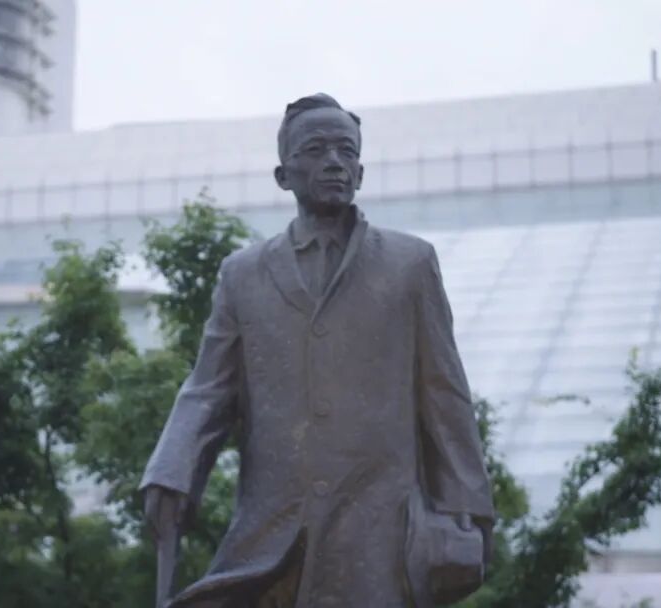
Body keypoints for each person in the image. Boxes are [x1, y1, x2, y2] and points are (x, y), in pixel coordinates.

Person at [141, 93, 494, 607]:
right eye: (315, 150)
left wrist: (466, 511)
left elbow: (445, 394)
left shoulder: (410, 264)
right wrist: (173, 470)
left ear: (361, 172)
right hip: (270, 536)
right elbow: (209, 389)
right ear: (282, 175)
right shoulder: (243, 275)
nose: (334, 162)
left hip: (380, 537)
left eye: (346, 151)